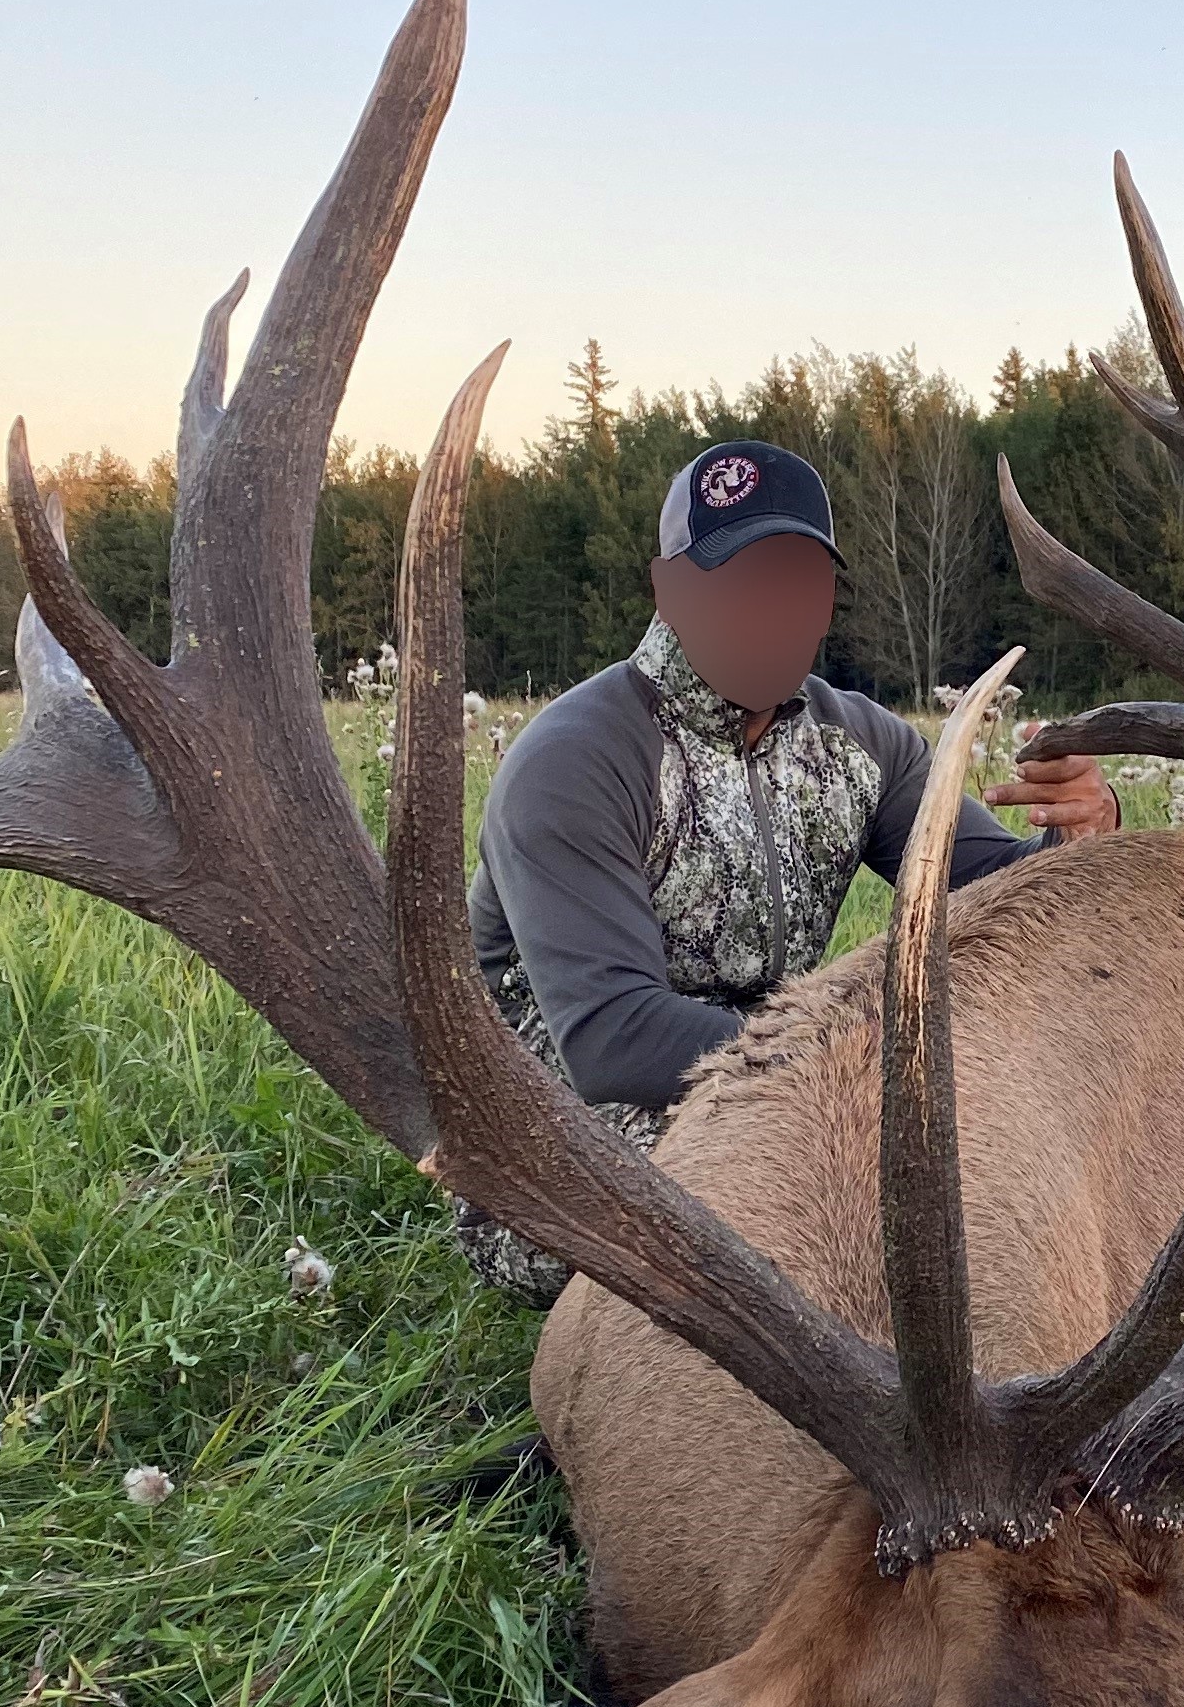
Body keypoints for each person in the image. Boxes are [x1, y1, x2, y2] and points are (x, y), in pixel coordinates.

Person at [453, 436, 1120, 1301]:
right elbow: (611, 1040)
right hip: (563, 1129)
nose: (768, 608)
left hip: (784, 1074)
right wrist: (860, 1062)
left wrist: (1082, 831)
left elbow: (1005, 898)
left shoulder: (862, 745)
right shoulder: (578, 759)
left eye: (795, 580)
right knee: (800, 1194)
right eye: (736, 581)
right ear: (669, 590)